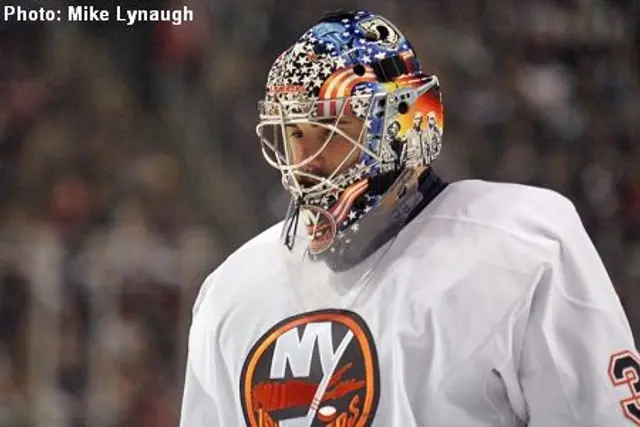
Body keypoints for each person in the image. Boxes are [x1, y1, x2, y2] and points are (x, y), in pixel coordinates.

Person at [180, 9, 639, 427]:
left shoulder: (522, 245)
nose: (304, 162)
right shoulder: (232, 292)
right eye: (292, 134)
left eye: (330, 132)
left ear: (403, 124)